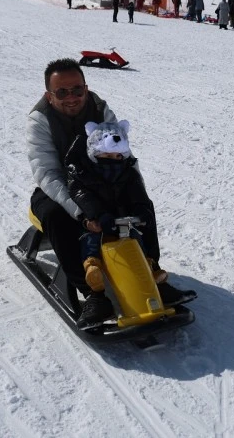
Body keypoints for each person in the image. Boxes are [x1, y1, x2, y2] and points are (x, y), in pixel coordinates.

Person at [27, 59, 197, 327]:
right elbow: (47, 172)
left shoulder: (99, 109)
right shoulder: (40, 119)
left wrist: (134, 193)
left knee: (142, 205)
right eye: (62, 92)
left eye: (77, 90)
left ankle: (152, 274)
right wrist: (81, 210)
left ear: (86, 87)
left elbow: (124, 155)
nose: (71, 97)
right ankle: (91, 293)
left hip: (101, 183)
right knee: (57, 217)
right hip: (59, 191)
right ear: (50, 95)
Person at [65, 119, 169, 327]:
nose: (113, 159)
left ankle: (149, 267)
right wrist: (97, 214)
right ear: (95, 155)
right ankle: (92, 269)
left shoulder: (127, 171)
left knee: (136, 240)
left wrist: (141, 210)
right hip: (96, 221)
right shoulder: (83, 172)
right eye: (106, 156)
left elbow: (137, 193)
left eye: (116, 155)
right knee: (91, 240)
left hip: (120, 219)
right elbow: (80, 194)